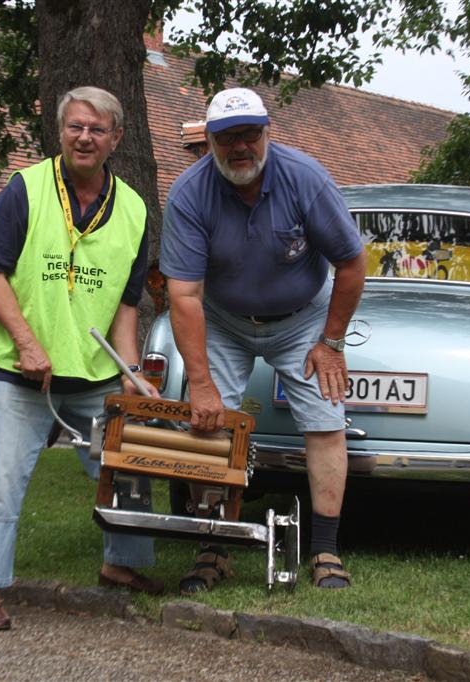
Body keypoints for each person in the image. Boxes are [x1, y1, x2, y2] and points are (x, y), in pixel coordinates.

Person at [0, 86, 160, 631]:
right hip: (15, 369)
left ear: (116, 138)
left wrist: (131, 371)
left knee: (129, 468)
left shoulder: (135, 209)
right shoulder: (25, 189)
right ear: (60, 131)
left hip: (93, 373)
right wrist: (25, 342)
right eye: (74, 126)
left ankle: (124, 565)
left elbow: (126, 302)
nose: (84, 137)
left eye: (96, 129)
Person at [161, 88, 367, 592]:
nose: (240, 147)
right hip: (224, 319)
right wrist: (202, 384)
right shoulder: (188, 195)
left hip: (301, 319)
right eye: (227, 137)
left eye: (249, 134)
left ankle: (325, 550)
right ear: (209, 141)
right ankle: (215, 545)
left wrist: (331, 344)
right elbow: (184, 295)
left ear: (267, 134)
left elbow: (352, 262)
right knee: (206, 422)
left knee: (325, 420)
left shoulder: (307, 180)